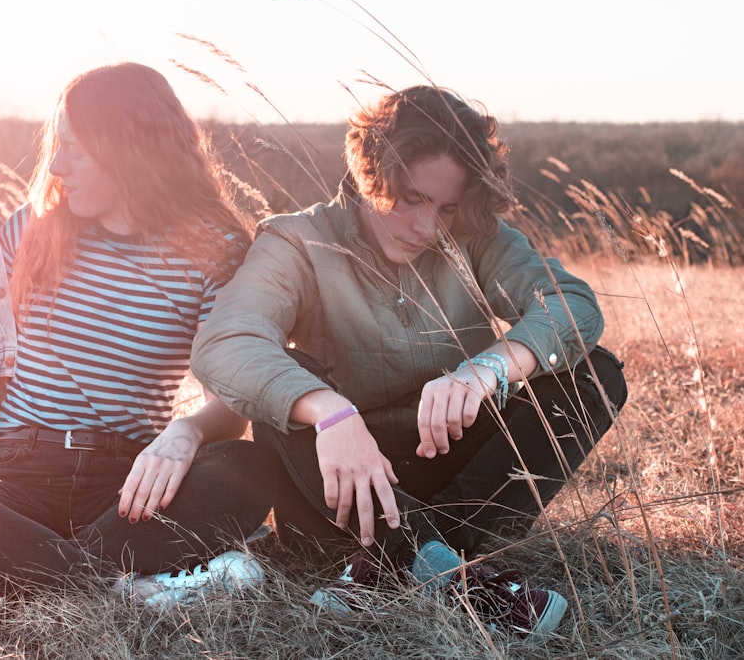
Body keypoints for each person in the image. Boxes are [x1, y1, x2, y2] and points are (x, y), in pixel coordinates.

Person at [191, 84, 628, 640]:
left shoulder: (476, 235)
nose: (428, 228)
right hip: (333, 484)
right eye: (411, 200)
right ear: (370, 175)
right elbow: (225, 343)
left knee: (595, 374)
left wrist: (487, 368)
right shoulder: (297, 239)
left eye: (446, 207)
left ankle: (399, 564)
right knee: (288, 380)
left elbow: (572, 304)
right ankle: (450, 571)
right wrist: (328, 412)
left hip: (457, 469)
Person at [0, 62, 272, 609]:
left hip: (132, 482)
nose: (57, 166)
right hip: (21, 471)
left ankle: (5, 579)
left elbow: (230, 410)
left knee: (249, 468)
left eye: (76, 151)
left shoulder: (214, 249)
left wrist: (188, 432)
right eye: (56, 147)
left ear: (128, 150)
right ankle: (125, 587)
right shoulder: (34, 229)